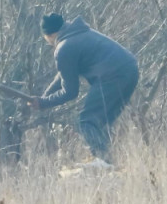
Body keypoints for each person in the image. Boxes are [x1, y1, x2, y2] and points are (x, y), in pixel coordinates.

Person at [29, 13, 139, 168]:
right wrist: (44, 99)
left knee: (86, 121)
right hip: (130, 69)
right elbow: (62, 76)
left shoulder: (64, 48)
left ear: (49, 35)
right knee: (101, 122)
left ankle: (103, 161)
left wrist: (44, 102)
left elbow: (70, 92)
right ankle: (109, 162)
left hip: (113, 76)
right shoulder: (78, 33)